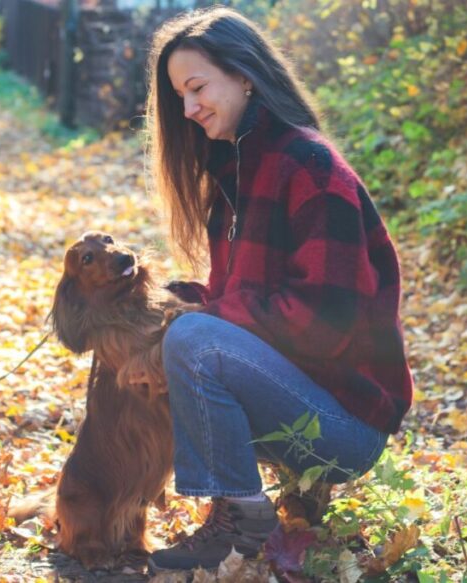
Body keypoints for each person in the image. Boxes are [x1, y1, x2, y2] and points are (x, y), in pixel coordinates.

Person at [143, 6, 414, 573]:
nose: (188, 109)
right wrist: (173, 302)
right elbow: (245, 303)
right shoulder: (237, 174)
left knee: (193, 340)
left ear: (244, 75)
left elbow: (323, 322)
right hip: (302, 401)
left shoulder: (309, 166)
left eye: (197, 88)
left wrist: (202, 320)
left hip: (346, 424)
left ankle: (243, 521)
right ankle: (208, 510)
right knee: (165, 331)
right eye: (180, 96)